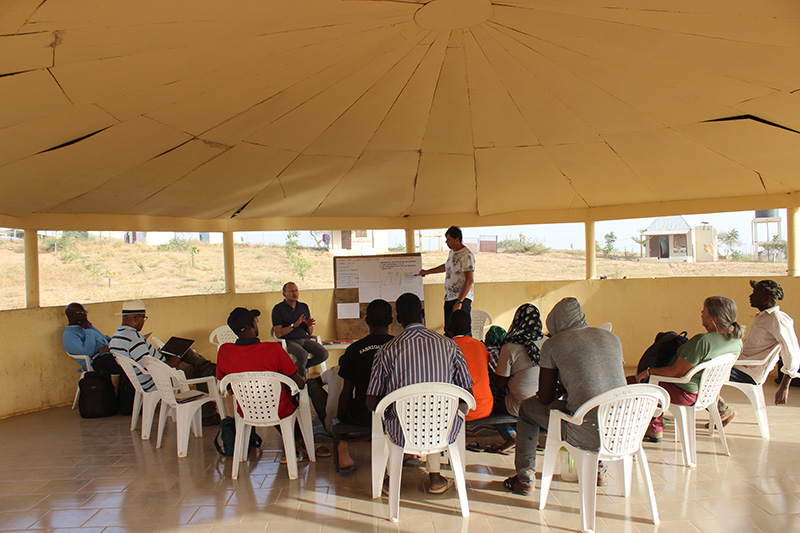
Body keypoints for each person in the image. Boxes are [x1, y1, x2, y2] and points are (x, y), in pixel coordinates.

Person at [503, 297, 625, 495]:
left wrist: (556, 389)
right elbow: (601, 382)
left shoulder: (554, 344)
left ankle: (524, 480)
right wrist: (568, 387)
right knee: (600, 407)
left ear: (555, 323)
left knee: (527, 409)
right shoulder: (611, 337)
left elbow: (544, 397)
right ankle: (599, 472)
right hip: (623, 427)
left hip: (584, 430)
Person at [367, 293, 474, 494]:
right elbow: (467, 392)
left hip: (402, 432)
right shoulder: (449, 345)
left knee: (391, 414)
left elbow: (372, 402)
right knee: (437, 409)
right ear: (423, 314)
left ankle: (391, 479)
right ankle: (435, 476)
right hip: (444, 429)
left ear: (398, 319)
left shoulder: (386, 350)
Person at [634, 295, 744, 442]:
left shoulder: (703, 341)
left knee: (635, 383)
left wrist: (649, 371)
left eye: (704, 310)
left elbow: (677, 372)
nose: (701, 313)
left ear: (714, 319)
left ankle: (654, 428)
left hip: (685, 392)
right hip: (708, 392)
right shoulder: (736, 341)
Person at [108, 300, 218, 422]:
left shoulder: (116, 338)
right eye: (144, 318)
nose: (144, 322)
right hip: (158, 378)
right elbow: (148, 367)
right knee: (197, 371)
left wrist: (160, 354)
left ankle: (205, 365)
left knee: (183, 349)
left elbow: (143, 359)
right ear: (136, 318)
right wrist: (172, 363)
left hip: (146, 376)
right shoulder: (133, 339)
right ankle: (208, 414)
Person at [217, 308, 305, 443]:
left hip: (246, 409)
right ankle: (298, 441)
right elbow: (299, 383)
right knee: (290, 395)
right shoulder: (273, 349)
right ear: (253, 324)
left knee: (268, 398)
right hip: (278, 409)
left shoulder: (224, 351)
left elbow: (227, 388)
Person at [326, 299, 395, 473]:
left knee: (339, 410)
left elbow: (346, 392)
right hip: (396, 416)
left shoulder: (354, 349)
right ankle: (410, 453)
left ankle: (343, 447)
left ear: (366, 321)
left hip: (363, 415)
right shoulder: (400, 346)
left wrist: (340, 421)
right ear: (391, 320)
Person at [717, 280, 800, 424]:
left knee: (702, 374)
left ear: (767, 299)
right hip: (741, 365)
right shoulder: (764, 317)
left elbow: (792, 351)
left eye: (755, 294)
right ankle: (720, 410)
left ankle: (723, 411)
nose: (750, 296)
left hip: (749, 371)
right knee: (700, 367)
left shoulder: (777, 319)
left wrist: (785, 385)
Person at [487, 304, 545, 454]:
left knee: (489, 403)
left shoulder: (511, 346)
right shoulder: (547, 342)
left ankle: (511, 435)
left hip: (518, 405)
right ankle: (529, 437)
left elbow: (500, 383)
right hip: (543, 402)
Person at [418, 226, 475, 332]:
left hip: (461, 299)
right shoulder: (452, 252)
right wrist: (428, 271)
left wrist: (459, 301)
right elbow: (447, 267)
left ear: (457, 239)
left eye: (448, 239)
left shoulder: (466, 255)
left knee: (462, 331)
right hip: (449, 298)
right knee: (449, 330)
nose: (446, 242)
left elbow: (469, 280)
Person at [271, 282, 329, 377]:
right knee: (302, 354)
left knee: (323, 354)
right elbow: (278, 334)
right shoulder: (278, 309)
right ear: (284, 294)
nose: (295, 293)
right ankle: (302, 380)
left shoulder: (303, 306)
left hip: (304, 339)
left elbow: (310, 332)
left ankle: (297, 369)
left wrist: (309, 325)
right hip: (289, 341)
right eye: (291, 291)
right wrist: (294, 325)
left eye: (296, 290)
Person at [446, 310, 493, 421]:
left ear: (449, 328)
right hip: (485, 407)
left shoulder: (447, 348)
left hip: (459, 411)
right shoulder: (480, 346)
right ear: (469, 328)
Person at [62, 302, 122, 374]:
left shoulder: (85, 325)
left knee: (131, 356)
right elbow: (88, 352)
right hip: (96, 361)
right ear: (73, 315)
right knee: (124, 364)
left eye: (85, 312)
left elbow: (104, 338)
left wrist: (115, 344)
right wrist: (88, 330)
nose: (85, 314)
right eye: (82, 312)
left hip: (109, 352)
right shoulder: (70, 335)